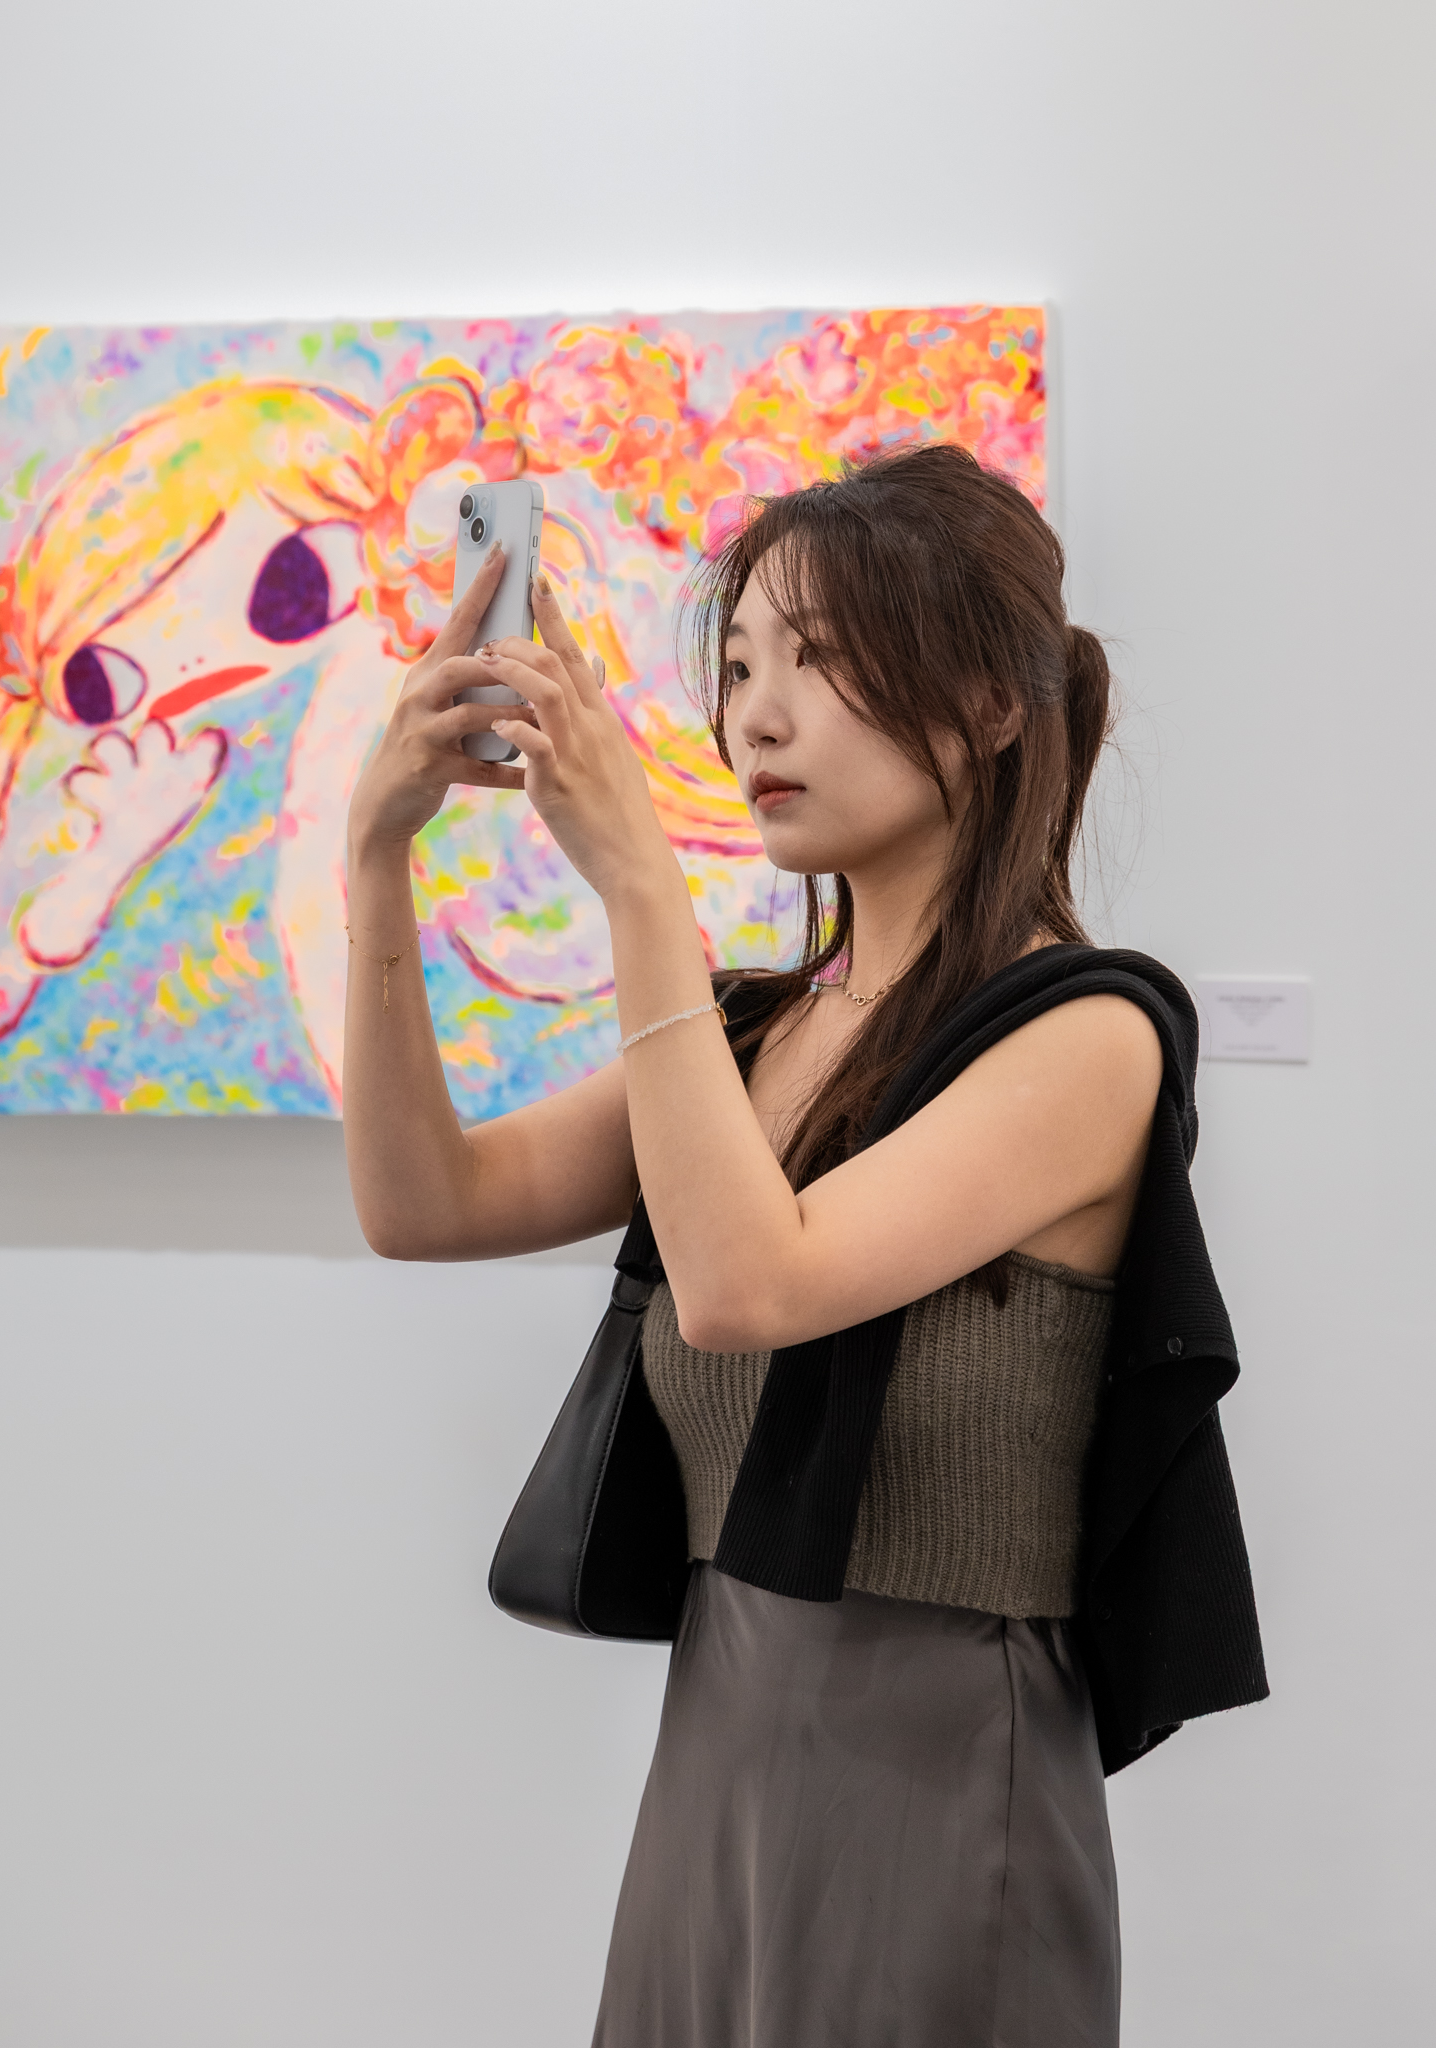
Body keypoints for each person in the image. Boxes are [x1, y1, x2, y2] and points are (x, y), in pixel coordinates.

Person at [341, 444, 1231, 2045]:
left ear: (990, 704)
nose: (754, 717)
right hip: (721, 1747)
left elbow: (750, 1285)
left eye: (815, 660)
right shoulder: (755, 1034)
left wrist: (638, 889)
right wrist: (374, 854)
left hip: (939, 1772)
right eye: (741, 665)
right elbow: (425, 1204)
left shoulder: (1090, 1035)